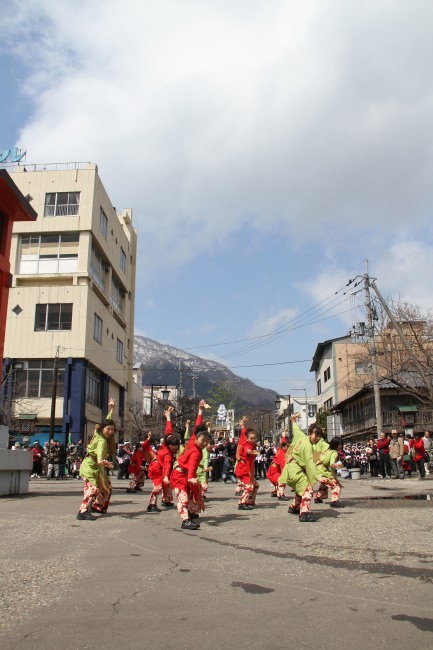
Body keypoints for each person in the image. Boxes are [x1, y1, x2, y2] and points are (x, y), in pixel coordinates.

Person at [169, 400, 209, 530]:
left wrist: (200, 410)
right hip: (180, 474)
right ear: (197, 439)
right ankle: (185, 520)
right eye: (203, 441)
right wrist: (192, 477)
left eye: (207, 442)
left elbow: (197, 427)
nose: (204, 443)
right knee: (183, 497)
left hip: (185, 474)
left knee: (192, 494)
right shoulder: (195, 448)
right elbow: (192, 466)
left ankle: (191, 512)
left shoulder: (194, 442)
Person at [77, 399, 116, 520]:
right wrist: (101, 461)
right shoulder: (102, 440)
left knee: (107, 487)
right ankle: (82, 511)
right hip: (91, 466)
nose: (110, 432)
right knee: (92, 488)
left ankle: (98, 506)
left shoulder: (98, 434)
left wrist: (112, 409)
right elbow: (100, 453)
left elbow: (107, 421)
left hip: (97, 466)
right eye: (108, 429)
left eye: (112, 429)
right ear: (102, 428)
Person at [279, 422, 322, 522]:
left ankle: (294, 507)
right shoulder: (308, 446)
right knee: (308, 489)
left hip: (289, 468)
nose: (318, 438)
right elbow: (310, 464)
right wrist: (319, 476)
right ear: (310, 433)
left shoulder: (302, 437)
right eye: (316, 435)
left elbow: (296, 430)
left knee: (301, 489)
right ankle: (304, 513)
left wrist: (293, 421)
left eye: (319, 436)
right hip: (295, 470)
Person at [147, 411, 179, 512]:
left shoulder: (166, 443)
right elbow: (167, 465)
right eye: (172, 445)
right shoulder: (167, 453)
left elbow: (168, 431)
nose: (173, 447)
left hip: (159, 466)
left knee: (167, 484)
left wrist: (168, 418)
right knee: (158, 486)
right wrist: (165, 476)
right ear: (168, 443)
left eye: (175, 445)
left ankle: (166, 500)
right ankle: (151, 505)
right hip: (156, 468)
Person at [314, 437, 344, 507]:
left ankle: (318, 497)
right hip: (324, 470)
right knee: (336, 486)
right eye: (340, 444)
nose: (341, 446)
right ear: (336, 445)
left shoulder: (327, 449)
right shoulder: (334, 453)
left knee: (324, 484)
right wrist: (340, 465)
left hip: (317, 468)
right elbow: (332, 464)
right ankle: (334, 500)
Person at [235, 428, 259, 510]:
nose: (253, 440)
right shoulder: (246, 445)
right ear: (247, 438)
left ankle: (250, 501)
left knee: (255, 485)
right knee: (249, 487)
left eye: (254, 438)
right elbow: (246, 449)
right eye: (251, 438)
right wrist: (248, 451)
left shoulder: (252, 445)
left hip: (248, 469)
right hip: (244, 469)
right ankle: (242, 503)